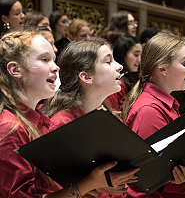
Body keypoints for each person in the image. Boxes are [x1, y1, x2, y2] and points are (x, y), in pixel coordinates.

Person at [0, 30, 139, 198]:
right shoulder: (10, 127)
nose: (56, 67)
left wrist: (96, 186)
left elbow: (55, 183)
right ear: (15, 69)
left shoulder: (37, 121)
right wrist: (89, 184)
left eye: (53, 59)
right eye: (45, 59)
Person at [122, 32, 185, 198]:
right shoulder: (149, 110)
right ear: (162, 68)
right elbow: (154, 173)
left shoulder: (164, 103)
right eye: (184, 63)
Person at [106, 34, 142, 112]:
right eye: (136, 55)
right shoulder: (117, 81)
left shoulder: (139, 76)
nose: (139, 60)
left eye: (141, 55)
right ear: (122, 54)